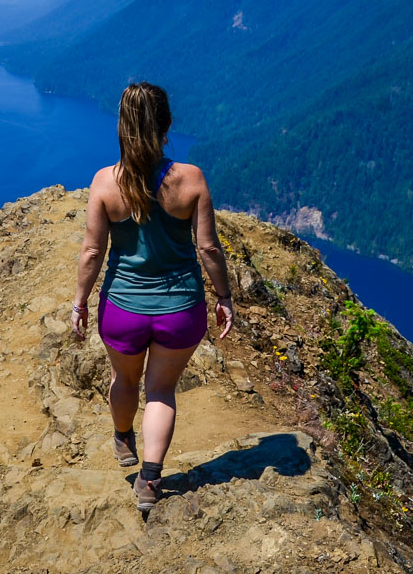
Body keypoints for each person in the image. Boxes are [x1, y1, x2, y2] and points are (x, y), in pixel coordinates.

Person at [71, 81, 235, 512]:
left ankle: (123, 438)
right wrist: (224, 296)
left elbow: (92, 251)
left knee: (124, 380)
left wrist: (80, 302)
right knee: (161, 391)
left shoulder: (105, 183)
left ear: (122, 127)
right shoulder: (191, 179)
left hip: (123, 308)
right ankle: (149, 480)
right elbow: (209, 248)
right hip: (180, 310)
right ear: (166, 125)